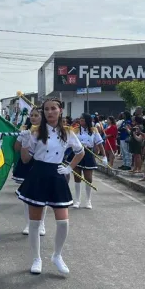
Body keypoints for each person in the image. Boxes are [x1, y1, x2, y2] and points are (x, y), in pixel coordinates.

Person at [17, 97, 84, 275]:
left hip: (56, 175)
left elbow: (80, 151)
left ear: (60, 110)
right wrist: (24, 142)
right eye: (46, 109)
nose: (50, 112)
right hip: (38, 174)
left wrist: (69, 167)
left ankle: (57, 255)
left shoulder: (68, 132)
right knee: (34, 223)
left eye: (53, 108)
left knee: (63, 221)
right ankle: (36, 259)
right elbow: (25, 159)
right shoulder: (35, 132)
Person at [13, 108, 46, 236]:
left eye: (36, 115)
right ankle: (29, 223)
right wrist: (22, 137)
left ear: (42, 117)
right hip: (27, 164)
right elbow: (16, 148)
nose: (33, 117)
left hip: (42, 164)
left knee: (42, 195)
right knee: (27, 196)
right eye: (31, 115)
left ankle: (41, 224)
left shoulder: (47, 132)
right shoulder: (26, 131)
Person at [72, 113, 104, 209]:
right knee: (77, 177)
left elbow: (99, 144)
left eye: (83, 120)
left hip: (88, 154)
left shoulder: (94, 130)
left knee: (88, 178)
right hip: (77, 154)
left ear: (87, 120)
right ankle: (77, 200)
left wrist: (104, 157)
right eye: (80, 119)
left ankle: (88, 200)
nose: (81, 121)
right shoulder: (75, 130)